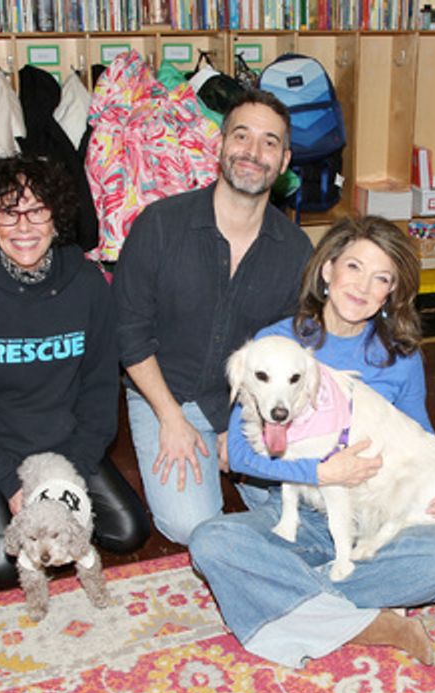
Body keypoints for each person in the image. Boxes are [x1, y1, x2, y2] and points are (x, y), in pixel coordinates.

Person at [188, 216, 435, 668]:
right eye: (354, 268)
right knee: (210, 544)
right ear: (328, 270)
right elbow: (241, 453)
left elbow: (422, 434)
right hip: (292, 516)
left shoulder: (400, 356)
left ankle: (287, 594)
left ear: (392, 293)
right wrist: (319, 473)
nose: (362, 286)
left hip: (367, 515)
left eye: (381, 278)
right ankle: (367, 622)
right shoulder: (276, 344)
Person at [0, 155, 149, 589]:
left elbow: (100, 387)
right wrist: (11, 483)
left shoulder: (88, 285)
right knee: (1, 567)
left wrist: (70, 471)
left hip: (65, 447)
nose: (24, 226)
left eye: (37, 210)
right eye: (8, 213)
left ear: (56, 218)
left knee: (129, 532)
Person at [114, 87, 314, 545]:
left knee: (306, 510)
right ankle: (234, 539)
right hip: (167, 392)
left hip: (250, 400)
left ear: (284, 161)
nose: (253, 152)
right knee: (189, 526)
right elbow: (129, 332)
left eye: (269, 142)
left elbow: (283, 349)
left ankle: (246, 541)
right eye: (241, 136)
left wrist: (247, 425)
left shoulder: (296, 248)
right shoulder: (160, 224)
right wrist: (170, 417)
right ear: (220, 146)